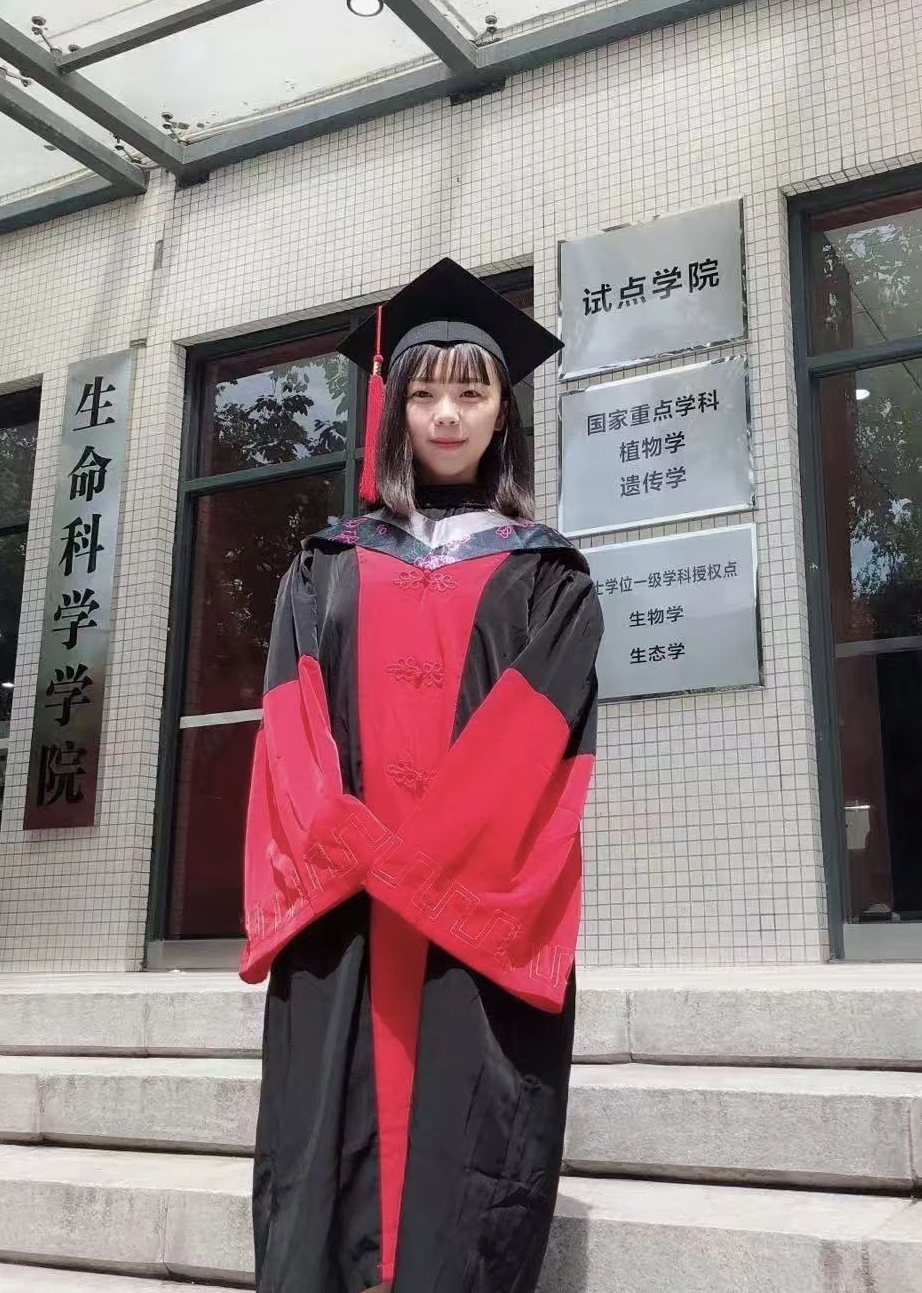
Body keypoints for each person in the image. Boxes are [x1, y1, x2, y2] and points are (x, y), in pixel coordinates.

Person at [238, 258, 604, 1293]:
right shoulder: (323, 564)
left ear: (502, 414)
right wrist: (347, 847)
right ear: (392, 409)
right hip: (344, 911)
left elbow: (536, 747)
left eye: (471, 392)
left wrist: (417, 864)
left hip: (470, 918)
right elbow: (289, 729)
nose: (446, 414)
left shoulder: (548, 574)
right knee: (323, 1153)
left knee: (465, 1160)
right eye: (424, 392)